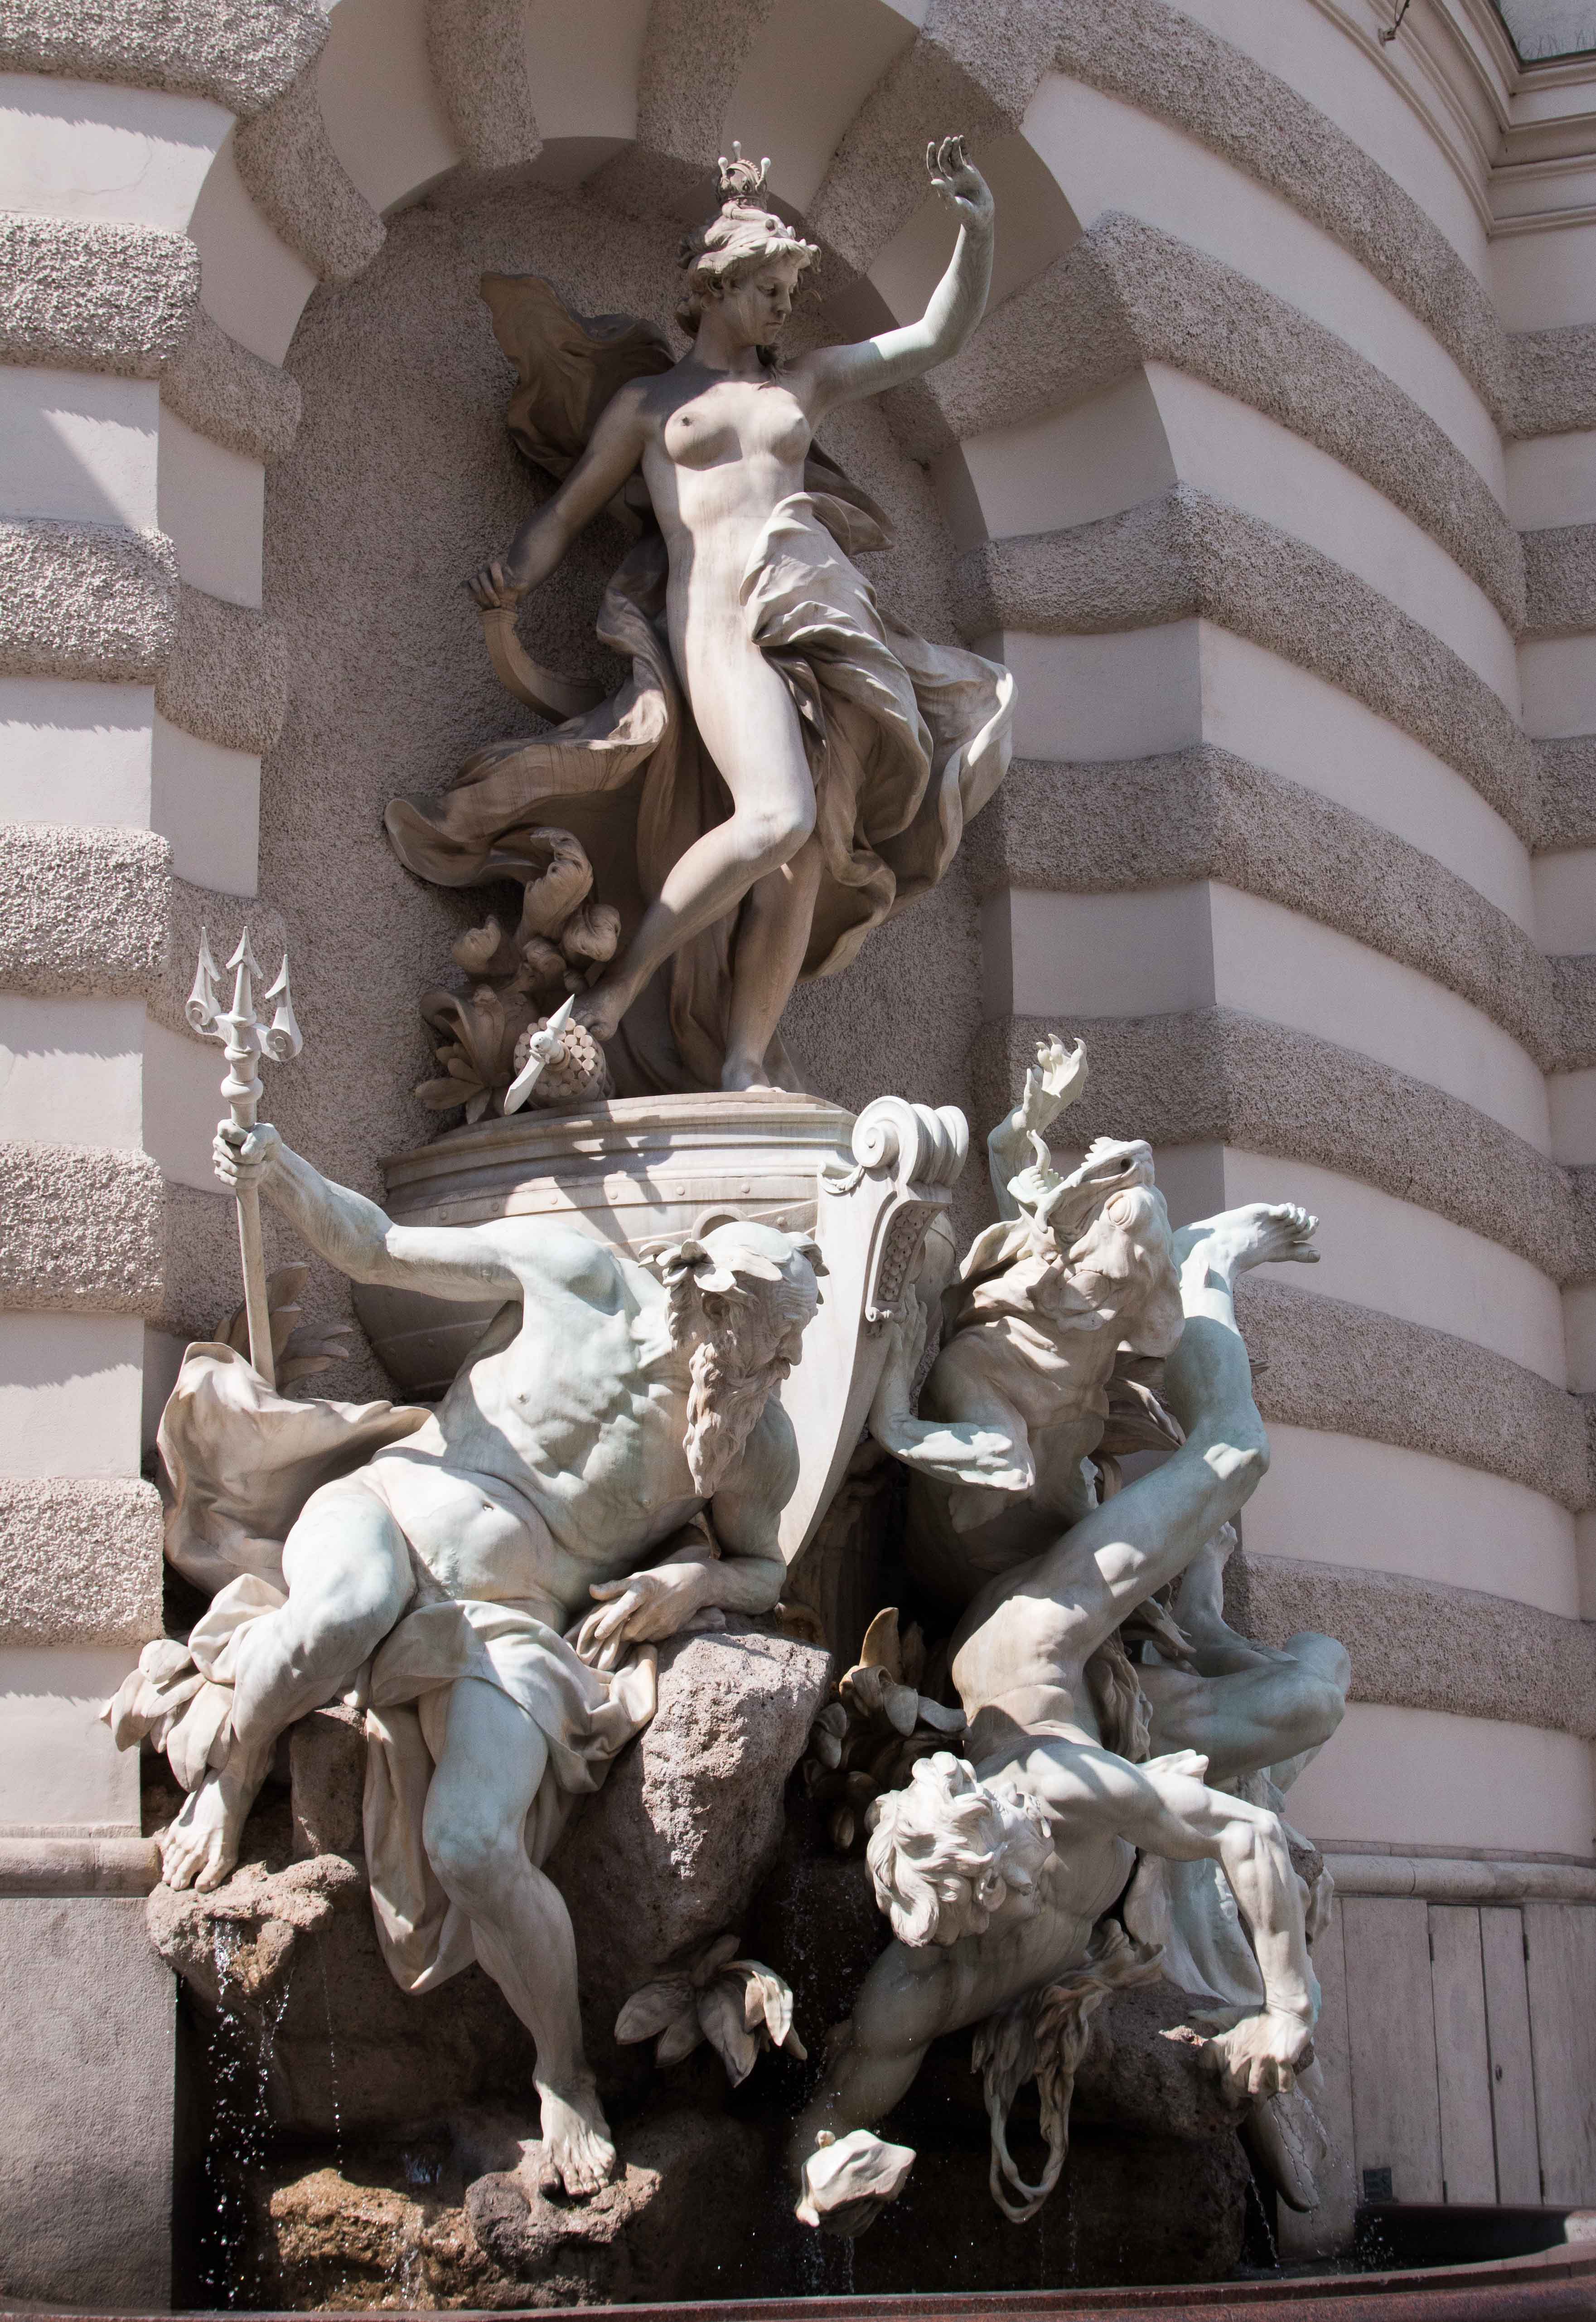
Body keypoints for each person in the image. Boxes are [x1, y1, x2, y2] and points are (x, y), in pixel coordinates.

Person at [120, 1117, 821, 2197]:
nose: (789, 1365)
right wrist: (279, 1166)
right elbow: (379, 1248)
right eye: (779, 1339)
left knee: (472, 1840)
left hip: (512, 1628)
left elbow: (766, 1569)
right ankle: (240, 1762)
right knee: (344, 1613)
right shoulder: (577, 1277)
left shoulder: (748, 1442)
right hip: (388, 1516)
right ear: (713, 1305)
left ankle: (563, 2071)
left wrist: (695, 1585)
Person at [389, 139, 1012, 1095]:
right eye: (768, 289)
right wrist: (512, 574)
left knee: (804, 852)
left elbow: (934, 338)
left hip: (815, 614)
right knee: (777, 815)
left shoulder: (802, 384)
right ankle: (615, 992)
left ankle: (744, 1059)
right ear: (714, 287)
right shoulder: (650, 406)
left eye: (788, 293)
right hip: (715, 618)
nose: (783, 309)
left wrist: (977, 231)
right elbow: (567, 513)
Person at [791, 1197, 1333, 2231]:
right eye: (993, 1899)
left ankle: (1201, 1266)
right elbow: (828, 2114)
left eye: (1013, 1865)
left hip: (1037, 1631)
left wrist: (1288, 2010)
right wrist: (823, 2177)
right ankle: (1202, 1619)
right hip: (1084, 1711)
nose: (1018, 1884)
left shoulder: (1059, 1791)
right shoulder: (930, 1971)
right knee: (1308, 1696)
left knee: (1234, 1454)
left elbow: (1245, 1832)